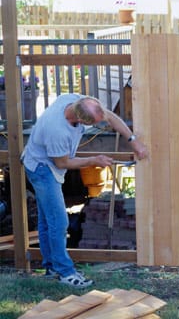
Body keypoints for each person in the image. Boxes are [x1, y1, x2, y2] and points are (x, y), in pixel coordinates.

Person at [21, 94, 148, 288]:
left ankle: (52, 267)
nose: (103, 122)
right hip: (41, 168)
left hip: (45, 163)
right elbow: (62, 162)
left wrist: (133, 140)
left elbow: (111, 117)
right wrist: (93, 160)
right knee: (59, 221)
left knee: (48, 220)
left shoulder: (77, 100)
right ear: (80, 120)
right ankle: (65, 272)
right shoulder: (57, 130)